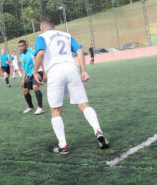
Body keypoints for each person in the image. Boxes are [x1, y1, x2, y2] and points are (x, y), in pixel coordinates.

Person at [33, 15, 109, 154]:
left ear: (42, 28)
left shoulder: (41, 37)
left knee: (56, 110)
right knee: (84, 105)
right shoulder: (66, 35)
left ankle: (63, 145)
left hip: (55, 72)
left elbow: (41, 53)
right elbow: (79, 51)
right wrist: (83, 71)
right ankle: (98, 131)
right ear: (53, 26)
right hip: (71, 69)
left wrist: (34, 71)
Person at [18, 40, 46, 115]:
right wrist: (23, 79)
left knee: (35, 87)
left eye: (22, 46)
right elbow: (24, 68)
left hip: (38, 72)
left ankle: (40, 108)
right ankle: (31, 107)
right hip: (29, 74)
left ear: (26, 46)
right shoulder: (21, 55)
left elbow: (41, 61)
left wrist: (44, 73)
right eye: (19, 46)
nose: (21, 48)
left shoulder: (32, 52)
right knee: (25, 91)